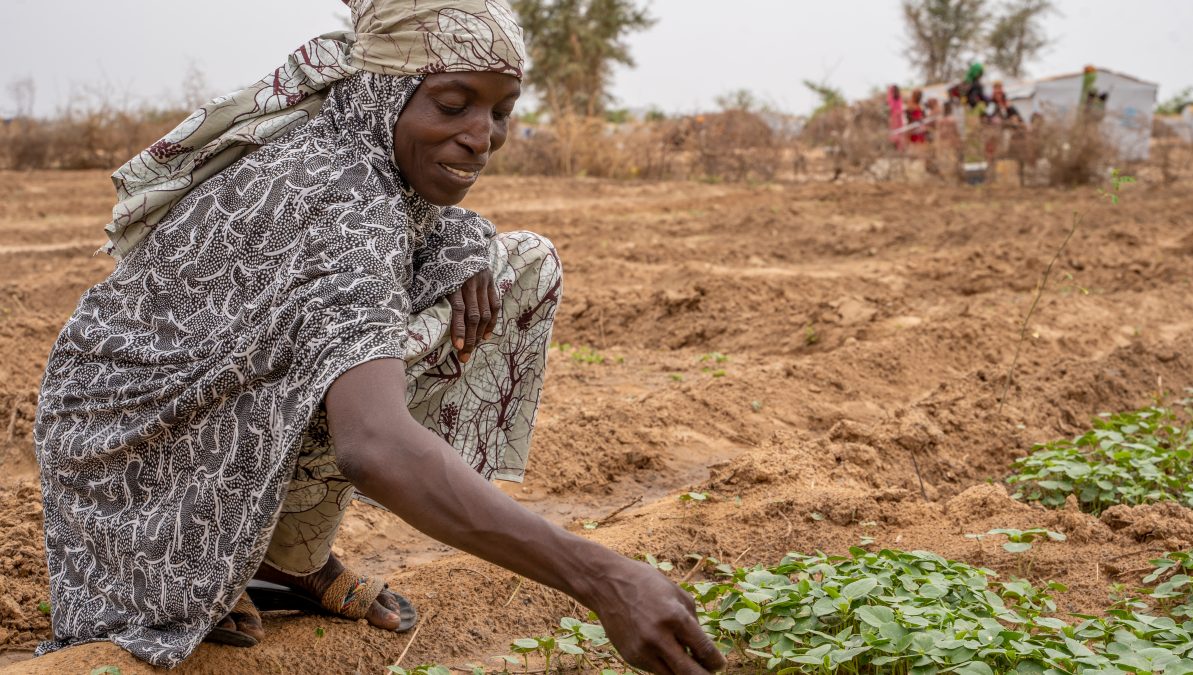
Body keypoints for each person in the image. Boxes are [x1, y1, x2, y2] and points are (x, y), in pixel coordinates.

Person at [32, 1, 725, 673]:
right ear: (385, 90)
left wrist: (462, 238)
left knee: (517, 265)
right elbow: (376, 445)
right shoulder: (340, 196)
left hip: (185, 412)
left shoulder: (350, 137)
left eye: (500, 111)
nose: (481, 135)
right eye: (453, 105)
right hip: (131, 469)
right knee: (373, 372)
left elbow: (404, 229)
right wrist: (601, 576)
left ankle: (285, 552)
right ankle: (205, 561)